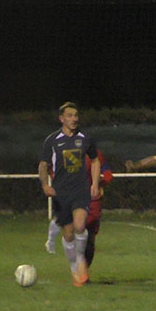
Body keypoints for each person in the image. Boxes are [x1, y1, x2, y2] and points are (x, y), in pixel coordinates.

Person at [38, 102, 101, 287]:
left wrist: (95, 183)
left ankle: (79, 259)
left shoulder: (85, 138)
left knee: (80, 226)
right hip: (61, 192)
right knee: (67, 234)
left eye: (76, 115)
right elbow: (43, 165)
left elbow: (95, 161)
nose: (74, 119)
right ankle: (74, 265)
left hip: (80, 190)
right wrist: (44, 184)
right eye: (70, 115)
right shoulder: (52, 140)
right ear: (62, 118)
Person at [46, 150, 113, 266]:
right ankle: (77, 267)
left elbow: (108, 174)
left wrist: (100, 185)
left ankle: (83, 269)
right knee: (72, 230)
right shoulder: (65, 153)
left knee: (90, 238)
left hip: (92, 201)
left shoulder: (95, 154)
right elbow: (51, 170)